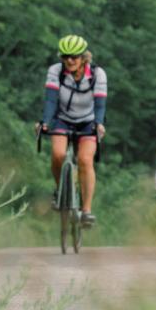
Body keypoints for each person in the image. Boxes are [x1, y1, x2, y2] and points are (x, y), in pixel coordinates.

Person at [37, 34, 107, 226]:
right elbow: (51, 100)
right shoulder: (55, 71)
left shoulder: (98, 74)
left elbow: (100, 105)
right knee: (58, 154)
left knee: (85, 160)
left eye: (74, 57)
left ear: (83, 57)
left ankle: (86, 210)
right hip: (63, 119)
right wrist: (45, 121)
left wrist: (99, 123)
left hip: (88, 121)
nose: (69, 60)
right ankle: (60, 190)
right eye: (65, 56)